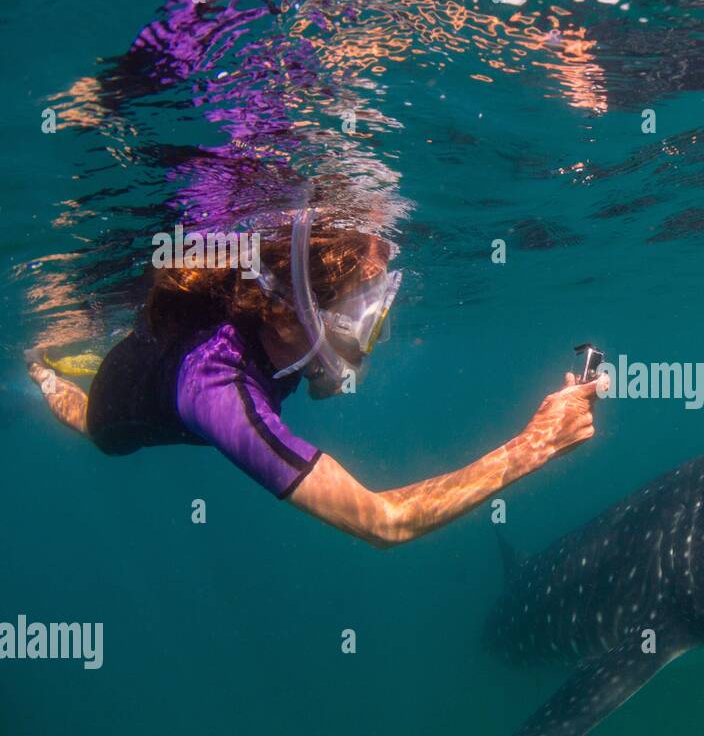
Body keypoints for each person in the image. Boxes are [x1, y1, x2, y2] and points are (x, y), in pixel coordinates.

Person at [25, 208, 604, 548]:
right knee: (88, 421)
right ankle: (46, 375)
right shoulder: (218, 390)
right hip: (122, 404)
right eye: (359, 318)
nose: (368, 334)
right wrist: (536, 445)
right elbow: (385, 522)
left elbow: (323, 363)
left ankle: (76, 358)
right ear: (294, 313)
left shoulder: (279, 322)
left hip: (169, 344)